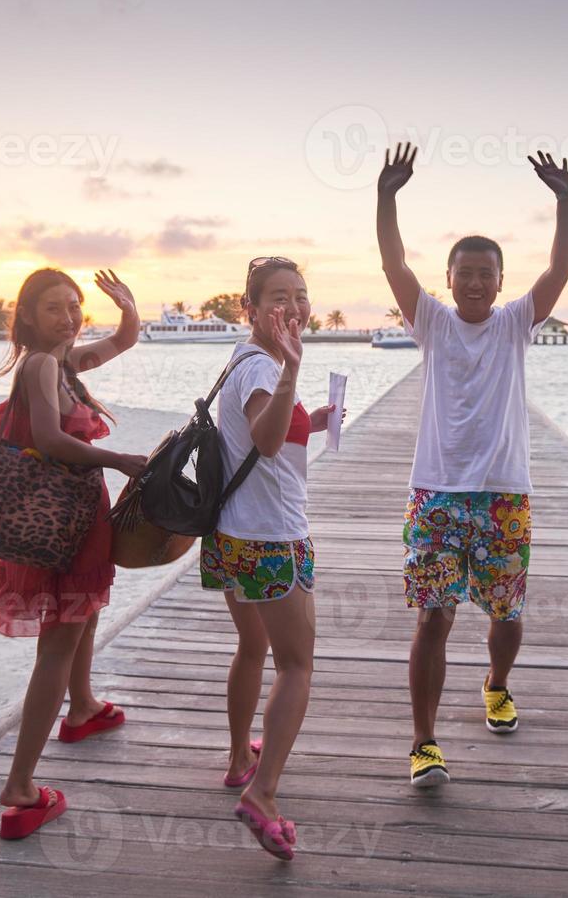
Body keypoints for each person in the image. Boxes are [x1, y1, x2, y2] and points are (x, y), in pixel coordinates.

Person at [376, 142, 568, 787]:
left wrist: (565, 200)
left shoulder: (515, 321)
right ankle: (424, 743)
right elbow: (392, 260)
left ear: (498, 280)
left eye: (485, 272)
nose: (473, 281)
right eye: (463, 271)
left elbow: (560, 268)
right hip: (435, 491)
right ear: (450, 276)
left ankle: (496, 684)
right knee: (433, 616)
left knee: (506, 613)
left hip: (502, 494)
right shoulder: (430, 320)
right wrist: (387, 198)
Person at [0, 268, 148, 841]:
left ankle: (85, 707)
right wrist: (119, 459)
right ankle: (20, 787)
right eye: (54, 308)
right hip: (59, 516)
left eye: (74, 306)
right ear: (26, 318)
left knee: (85, 608)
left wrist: (125, 307)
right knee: (58, 642)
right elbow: (48, 439)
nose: (69, 317)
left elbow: (122, 342)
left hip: (75, 514)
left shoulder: (64, 362)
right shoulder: (43, 364)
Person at [201, 256, 339, 861]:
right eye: (278, 296)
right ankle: (264, 792)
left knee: (253, 648)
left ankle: (239, 758)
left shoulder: (244, 356)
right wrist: (294, 373)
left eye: (301, 295)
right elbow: (263, 437)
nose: (294, 306)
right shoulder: (266, 365)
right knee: (297, 666)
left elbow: (266, 434)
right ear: (250, 308)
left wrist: (314, 416)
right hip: (271, 538)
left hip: (232, 533)